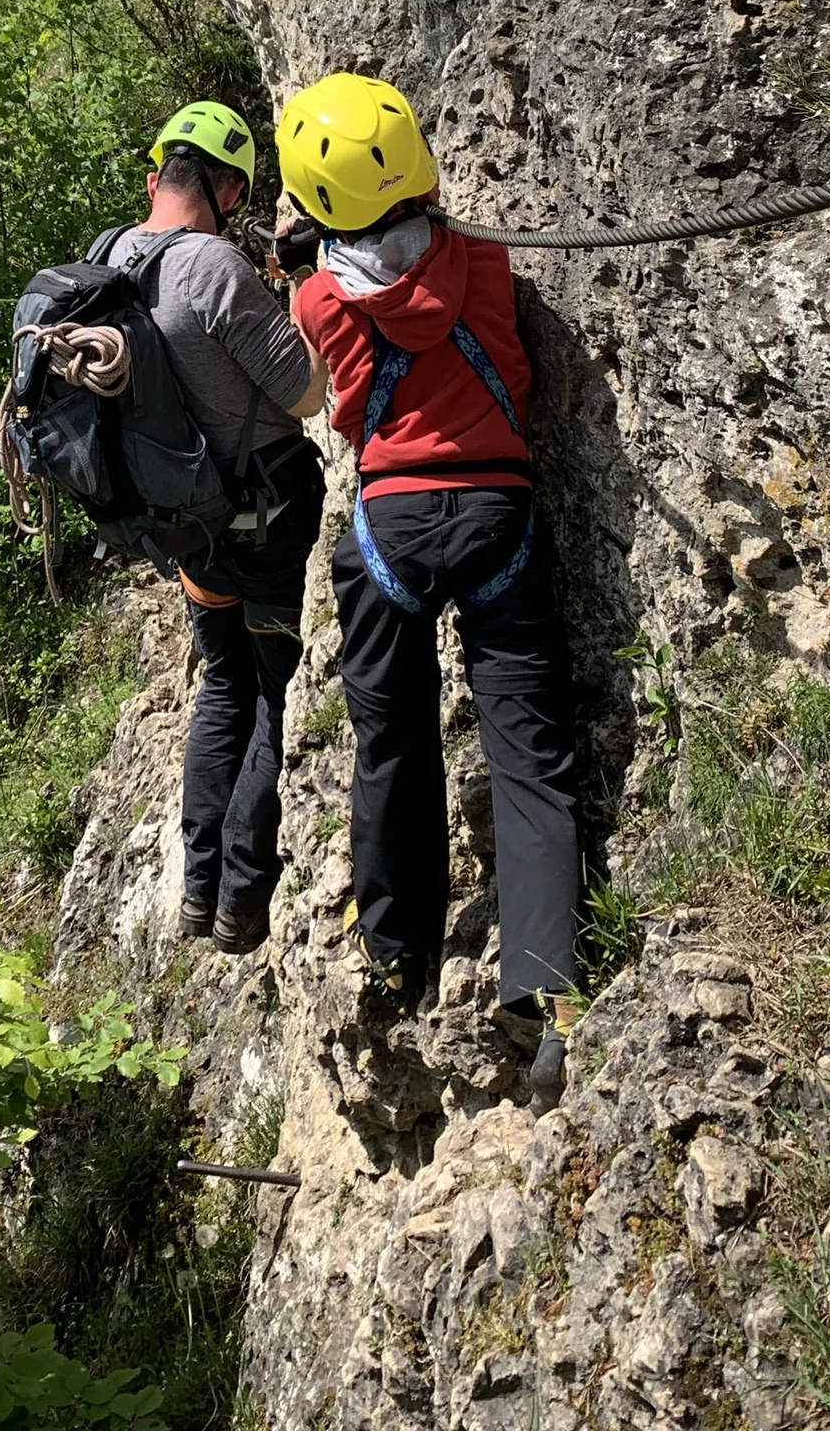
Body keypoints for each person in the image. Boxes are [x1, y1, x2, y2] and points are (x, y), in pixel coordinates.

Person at [276, 71, 581, 1101]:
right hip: (497, 510)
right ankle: (544, 993)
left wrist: (308, 252)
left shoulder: (316, 296)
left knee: (393, 739)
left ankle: (396, 949)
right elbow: (437, 265)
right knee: (528, 753)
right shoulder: (487, 260)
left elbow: (329, 367)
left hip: (389, 528)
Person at [101, 102, 329, 955]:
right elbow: (305, 392)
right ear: (231, 190)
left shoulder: (110, 259)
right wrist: (300, 281)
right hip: (265, 517)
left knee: (223, 682)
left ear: (156, 176)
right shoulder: (214, 267)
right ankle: (241, 896)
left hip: (184, 527)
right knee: (272, 684)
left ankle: (197, 893)